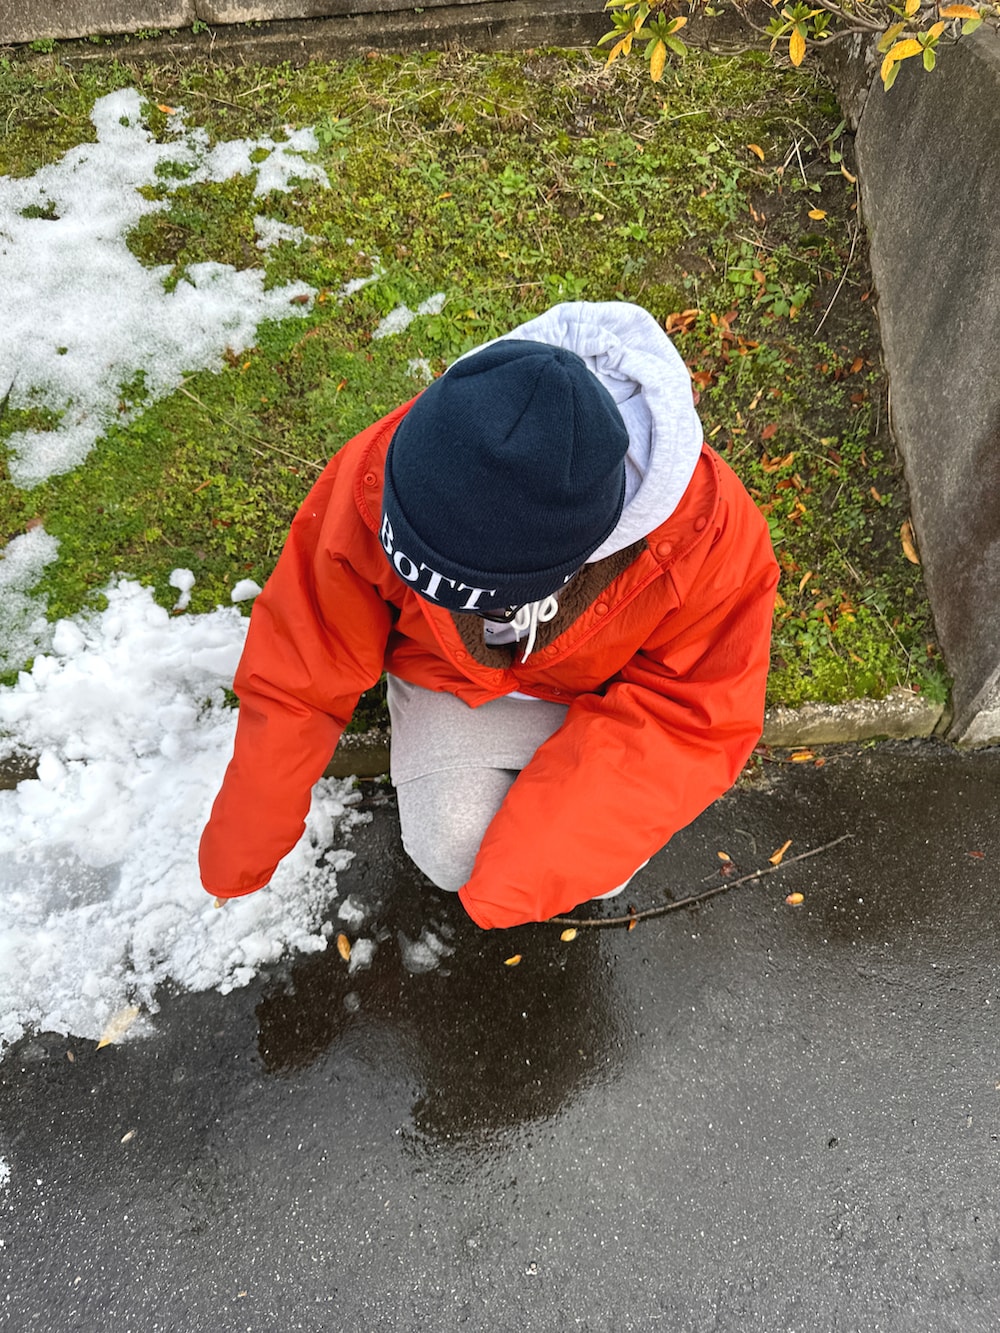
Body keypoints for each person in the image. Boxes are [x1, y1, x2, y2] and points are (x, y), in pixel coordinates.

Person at [199, 301, 779, 929]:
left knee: (578, 864)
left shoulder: (707, 532)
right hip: (449, 676)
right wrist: (246, 837)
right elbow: (304, 654)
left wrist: (525, 875)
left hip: (603, 699)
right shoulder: (388, 465)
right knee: (451, 850)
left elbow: (693, 715)